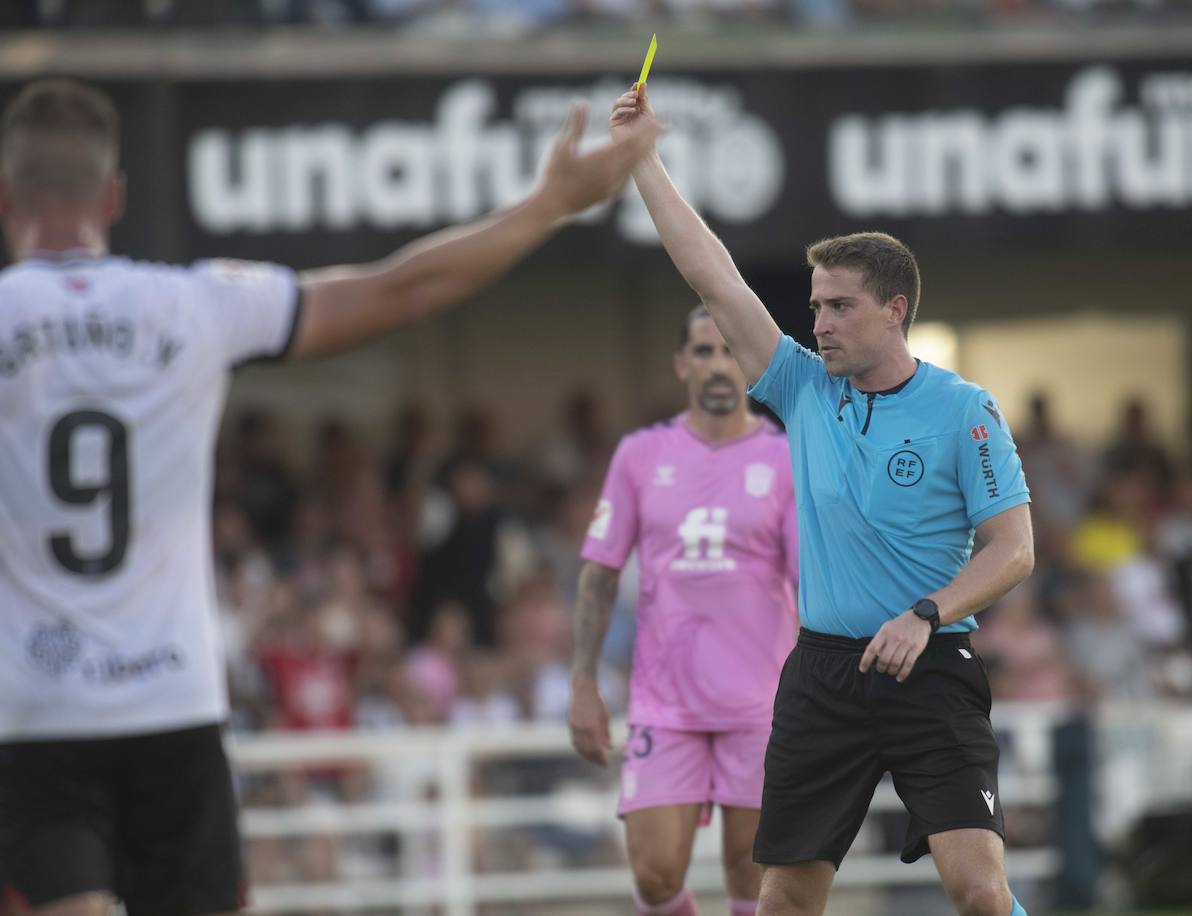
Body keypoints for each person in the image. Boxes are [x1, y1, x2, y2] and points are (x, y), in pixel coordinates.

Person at [0, 77, 656, 916]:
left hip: (38, 711)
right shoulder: (192, 304)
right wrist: (550, 203)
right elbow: (401, 290)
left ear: (7, 194)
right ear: (115, 195)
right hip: (171, 702)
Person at [609, 87, 1035, 916]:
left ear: (895, 310)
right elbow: (711, 273)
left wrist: (926, 614)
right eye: (815, 307)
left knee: (979, 891)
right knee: (784, 903)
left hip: (933, 668)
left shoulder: (963, 409)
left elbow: (1013, 550)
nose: (821, 323)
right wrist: (644, 162)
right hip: (823, 676)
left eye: (840, 306)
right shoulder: (802, 387)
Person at [568, 305, 799, 916]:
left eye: (729, 351)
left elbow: (812, 580)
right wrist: (584, 681)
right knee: (653, 873)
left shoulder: (785, 458)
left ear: (748, 363)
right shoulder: (640, 455)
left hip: (762, 705)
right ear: (681, 365)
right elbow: (600, 571)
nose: (718, 366)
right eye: (703, 352)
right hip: (665, 704)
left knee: (752, 880)